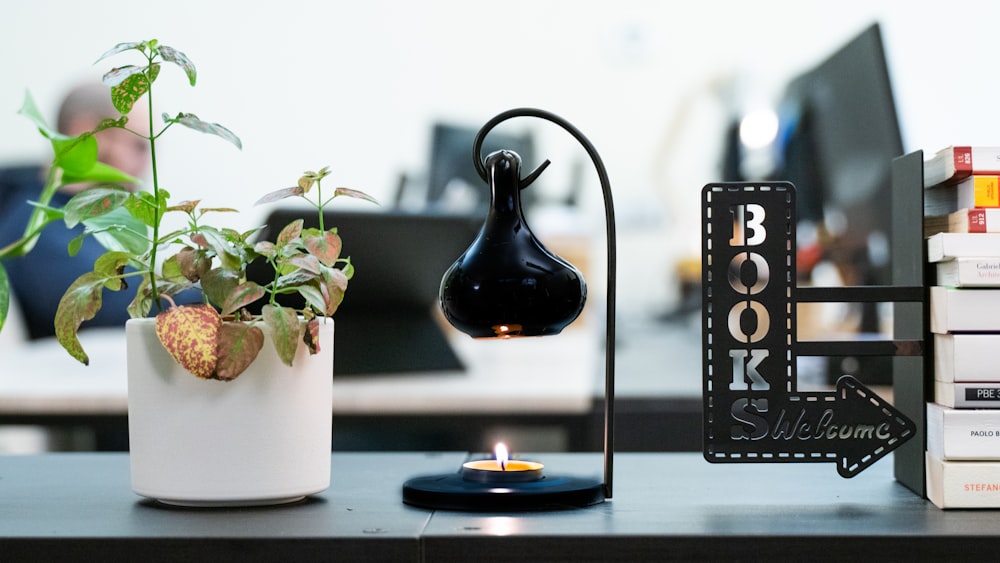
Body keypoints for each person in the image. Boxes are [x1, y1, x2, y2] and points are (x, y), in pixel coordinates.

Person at [0, 82, 189, 340]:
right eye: (139, 146)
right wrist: (229, 290)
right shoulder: (34, 226)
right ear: (87, 133)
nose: (147, 164)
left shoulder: (98, 222)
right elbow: (115, 305)